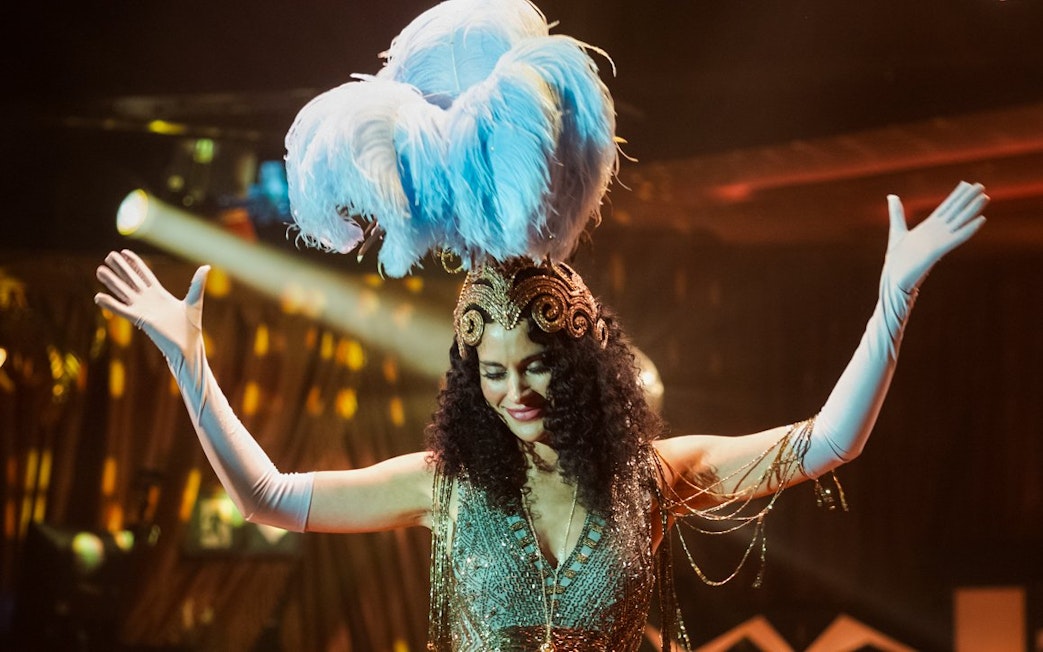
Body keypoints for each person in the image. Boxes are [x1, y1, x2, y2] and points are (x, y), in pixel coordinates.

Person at [93, 2, 990, 650]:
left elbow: (826, 443)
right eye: (492, 370)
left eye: (535, 367)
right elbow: (275, 501)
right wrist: (190, 366)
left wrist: (893, 299)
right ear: (469, 380)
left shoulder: (653, 480)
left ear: (586, 367)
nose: (514, 389)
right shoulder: (443, 487)